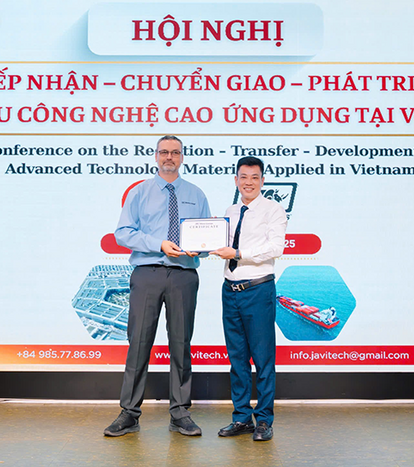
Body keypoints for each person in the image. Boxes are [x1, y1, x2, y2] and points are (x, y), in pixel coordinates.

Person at [104, 135, 210, 437]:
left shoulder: (196, 194)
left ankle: (180, 413)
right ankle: (129, 413)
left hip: (183, 275)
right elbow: (123, 233)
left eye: (175, 152)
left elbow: (208, 238)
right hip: (147, 272)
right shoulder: (139, 192)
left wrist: (201, 247)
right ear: (156, 156)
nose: (169, 157)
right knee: (138, 342)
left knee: (181, 343)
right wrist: (158, 244)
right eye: (164, 152)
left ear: (182, 157)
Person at [210, 156, 287, 442]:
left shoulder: (273, 210)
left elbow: (275, 248)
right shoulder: (230, 211)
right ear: (236, 180)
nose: (249, 182)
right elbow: (221, 245)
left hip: (258, 290)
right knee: (237, 358)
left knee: (263, 359)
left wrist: (239, 254)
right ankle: (241, 417)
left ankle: (264, 420)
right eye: (243, 177)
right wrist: (201, 246)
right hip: (230, 291)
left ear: (262, 181)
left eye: (255, 177)